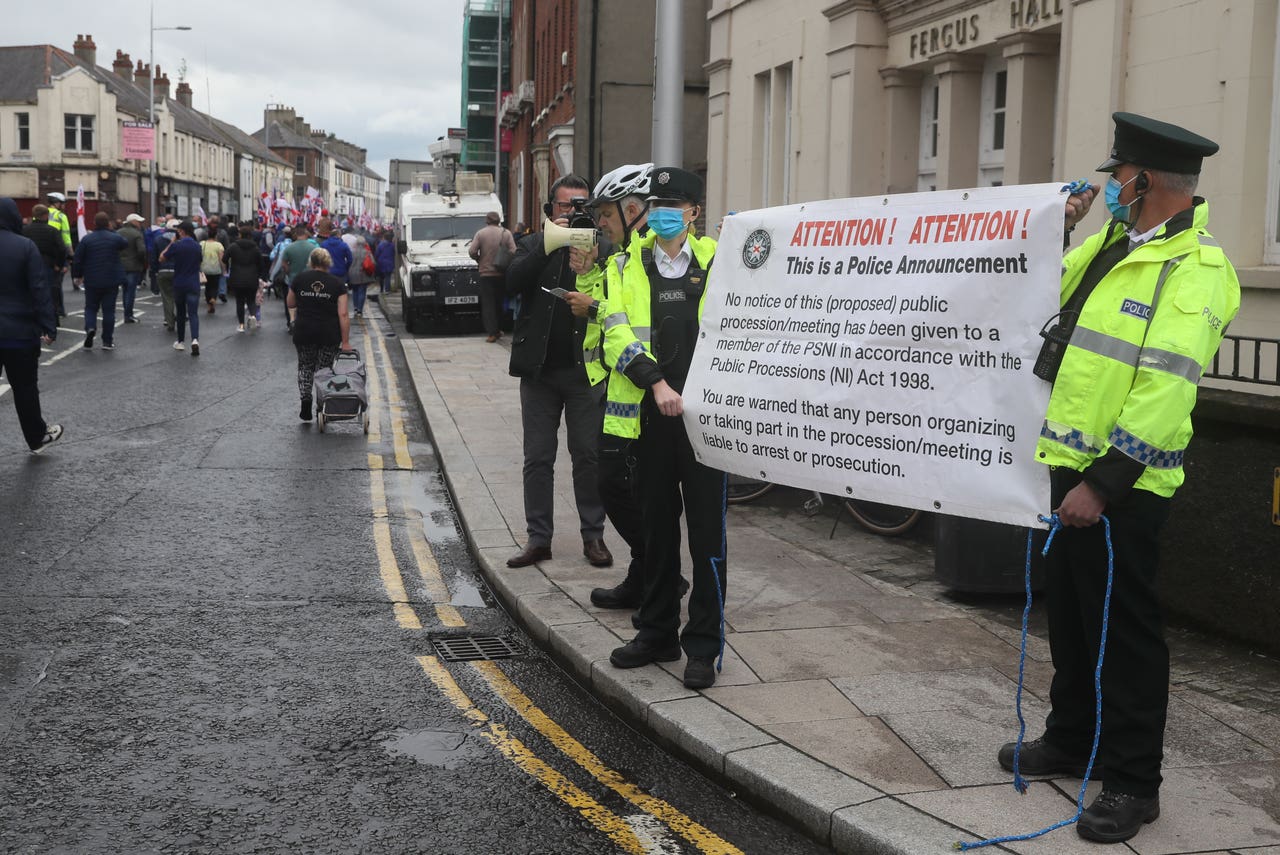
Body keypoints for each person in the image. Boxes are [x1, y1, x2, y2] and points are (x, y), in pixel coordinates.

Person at [995, 113, 1239, 845]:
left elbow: (1165, 391)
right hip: (1071, 464)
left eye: (1117, 174)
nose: (1108, 185)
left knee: (1124, 633)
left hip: (1123, 487)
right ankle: (1072, 737)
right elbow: (1043, 296)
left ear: (1148, 180)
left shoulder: (1193, 270)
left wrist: (1101, 485)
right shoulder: (1113, 244)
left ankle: (1134, 780)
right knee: (1070, 615)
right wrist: (1060, 228)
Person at [602, 167, 725, 691]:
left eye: (675, 203)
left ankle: (702, 645)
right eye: (656, 203)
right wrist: (655, 383)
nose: (663, 211)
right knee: (656, 533)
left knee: (707, 539)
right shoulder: (624, 263)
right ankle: (657, 633)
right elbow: (613, 332)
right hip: (651, 419)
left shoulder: (722, 261)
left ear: (695, 212)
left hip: (706, 424)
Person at [503, 175, 612, 570]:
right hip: (540, 372)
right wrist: (549, 245)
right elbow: (511, 283)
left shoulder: (605, 246)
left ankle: (593, 536)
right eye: (566, 206)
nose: (573, 212)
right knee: (537, 458)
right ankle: (539, 539)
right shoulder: (534, 242)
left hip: (586, 372)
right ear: (551, 209)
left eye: (581, 205)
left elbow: (614, 295)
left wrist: (595, 256)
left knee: (588, 456)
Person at [566, 164, 655, 612]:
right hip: (621, 392)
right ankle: (648, 574)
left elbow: (638, 319)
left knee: (630, 489)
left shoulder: (651, 256)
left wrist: (594, 305)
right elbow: (606, 306)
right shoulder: (622, 258)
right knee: (617, 486)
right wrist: (584, 276)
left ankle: (657, 576)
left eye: (605, 213)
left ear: (633, 208)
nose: (598, 223)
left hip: (650, 395)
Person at [0, 197, 62, 453]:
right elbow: (39, 289)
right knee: (25, 388)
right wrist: (48, 325)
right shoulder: (25, 246)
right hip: (19, 333)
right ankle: (36, 437)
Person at [287, 247, 351, 421]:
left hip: (304, 331)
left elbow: (291, 303)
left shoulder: (299, 279)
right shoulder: (337, 284)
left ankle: (305, 400)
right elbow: (343, 314)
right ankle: (322, 405)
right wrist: (345, 342)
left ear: (311, 262)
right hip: (328, 334)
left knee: (305, 367)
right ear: (328, 262)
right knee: (324, 370)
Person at [71, 212, 128, 350]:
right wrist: (112, 230)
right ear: (108, 223)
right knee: (109, 311)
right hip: (111, 280)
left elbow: (78, 259)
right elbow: (125, 243)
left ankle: (90, 328)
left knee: (91, 308)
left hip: (92, 279)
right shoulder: (115, 238)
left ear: (94, 223)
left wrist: (77, 276)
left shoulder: (87, 239)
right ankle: (107, 341)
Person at [469, 211, 516, 342]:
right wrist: (505, 260)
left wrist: (479, 259)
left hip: (486, 273)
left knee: (488, 304)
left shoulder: (481, 233)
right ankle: (499, 329)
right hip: (501, 273)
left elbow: (472, 251)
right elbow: (513, 251)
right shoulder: (506, 233)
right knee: (500, 302)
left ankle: (491, 333)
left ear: (487, 220)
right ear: (499, 220)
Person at [160, 221, 203, 356]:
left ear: (182, 231)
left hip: (179, 283)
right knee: (193, 314)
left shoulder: (177, 245)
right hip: (193, 283)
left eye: (178, 231)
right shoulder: (197, 246)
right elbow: (200, 261)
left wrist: (172, 242)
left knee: (180, 313)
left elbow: (161, 258)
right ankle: (195, 340)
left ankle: (180, 342)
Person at [23, 205, 68, 325]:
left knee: (31, 292)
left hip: (30, 265)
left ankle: (33, 319)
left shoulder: (25, 230)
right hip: (48, 264)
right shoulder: (52, 230)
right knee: (49, 293)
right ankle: (52, 320)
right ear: (45, 215)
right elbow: (62, 248)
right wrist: (59, 264)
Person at [224, 224, 263, 332]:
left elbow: (224, 258)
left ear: (240, 234)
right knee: (251, 300)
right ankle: (253, 316)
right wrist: (259, 274)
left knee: (239, 301)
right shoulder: (255, 248)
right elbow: (261, 263)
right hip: (252, 277)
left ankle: (241, 325)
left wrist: (228, 267)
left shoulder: (233, 246)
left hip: (237, 277)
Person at [282, 222, 319, 331]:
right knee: (307, 302)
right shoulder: (313, 248)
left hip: (293, 279)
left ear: (295, 234)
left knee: (291, 302)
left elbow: (284, 264)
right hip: (309, 279)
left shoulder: (289, 248)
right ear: (306, 233)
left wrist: (289, 272)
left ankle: (291, 323)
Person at [117, 213, 148, 324]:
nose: (140, 224)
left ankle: (127, 313)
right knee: (130, 291)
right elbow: (142, 250)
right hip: (134, 266)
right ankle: (128, 315)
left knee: (125, 290)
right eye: (139, 222)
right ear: (133, 222)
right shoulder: (137, 234)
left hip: (120, 266)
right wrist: (142, 261)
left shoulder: (118, 233)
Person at [45, 193, 74, 294]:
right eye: (63, 203)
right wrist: (71, 255)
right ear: (57, 203)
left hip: (44, 254)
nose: (64, 206)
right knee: (56, 285)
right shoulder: (61, 216)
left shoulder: (42, 214)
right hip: (59, 253)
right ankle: (58, 309)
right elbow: (66, 238)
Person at [153, 220, 179, 332]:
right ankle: (181, 316)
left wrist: (155, 270)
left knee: (167, 297)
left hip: (163, 270)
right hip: (178, 271)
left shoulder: (158, 239)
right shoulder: (181, 240)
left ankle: (170, 321)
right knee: (179, 296)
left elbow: (153, 257)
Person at [346, 234, 375, 318]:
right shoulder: (367, 252)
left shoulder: (351, 252)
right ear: (364, 243)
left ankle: (355, 308)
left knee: (355, 291)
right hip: (363, 274)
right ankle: (359, 310)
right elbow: (372, 263)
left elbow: (348, 262)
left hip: (352, 274)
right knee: (362, 291)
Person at [317, 219, 353, 283]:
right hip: (340, 272)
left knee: (328, 291)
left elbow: (320, 258)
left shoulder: (324, 244)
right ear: (338, 235)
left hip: (327, 271)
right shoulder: (344, 245)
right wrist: (345, 267)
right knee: (339, 291)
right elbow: (350, 259)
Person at [199, 227, 225, 314]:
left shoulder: (202, 244)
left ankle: (210, 306)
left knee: (207, 287)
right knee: (214, 286)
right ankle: (213, 298)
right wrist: (224, 269)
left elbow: (199, 256)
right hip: (215, 269)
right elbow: (221, 259)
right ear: (216, 235)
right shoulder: (219, 245)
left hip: (204, 268)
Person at [375, 229, 396, 296]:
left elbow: (377, 253)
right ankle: (387, 290)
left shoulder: (381, 245)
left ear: (384, 238)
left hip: (381, 263)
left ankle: (382, 289)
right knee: (388, 276)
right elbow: (394, 253)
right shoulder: (392, 245)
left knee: (381, 277)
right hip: (390, 262)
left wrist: (376, 260)